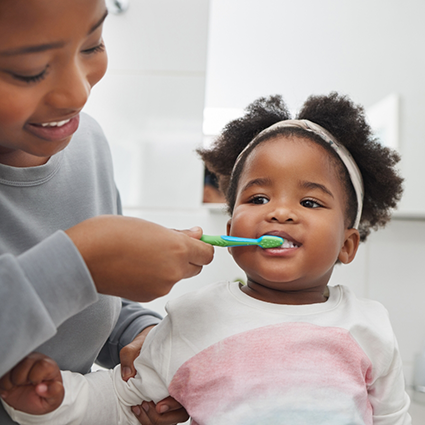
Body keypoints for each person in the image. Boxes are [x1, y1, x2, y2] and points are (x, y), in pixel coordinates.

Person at [1, 93, 411, 424]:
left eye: (308, 201)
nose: (280, 212)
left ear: (348, 244)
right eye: (259, 198)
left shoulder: (369, 328)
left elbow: (393, 418)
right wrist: (49, 401)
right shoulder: (193, 319)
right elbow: (117, 401)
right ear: (231, 229)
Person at [0, 0, 213, 424]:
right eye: (31, 70)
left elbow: (94, 308)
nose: (78, 93)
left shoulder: (87, 142)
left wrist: (141, 339)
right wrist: (81, 261)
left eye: (93, 45)